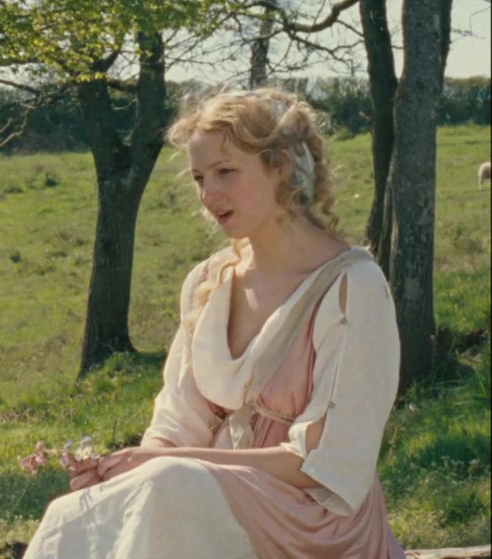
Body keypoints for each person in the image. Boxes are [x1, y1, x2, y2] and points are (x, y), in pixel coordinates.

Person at [23, 88, 405, 559]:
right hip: (205, 493)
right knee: (72, 512)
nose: (209, 196)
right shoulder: (207, 283)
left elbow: (324, 463)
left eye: (226, 172)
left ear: (280, 165)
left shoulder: (351, 286)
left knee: (167, 484)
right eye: (199, 178)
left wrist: (166, 463)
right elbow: (176, 423)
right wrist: (127, 471)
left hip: (315, 520)